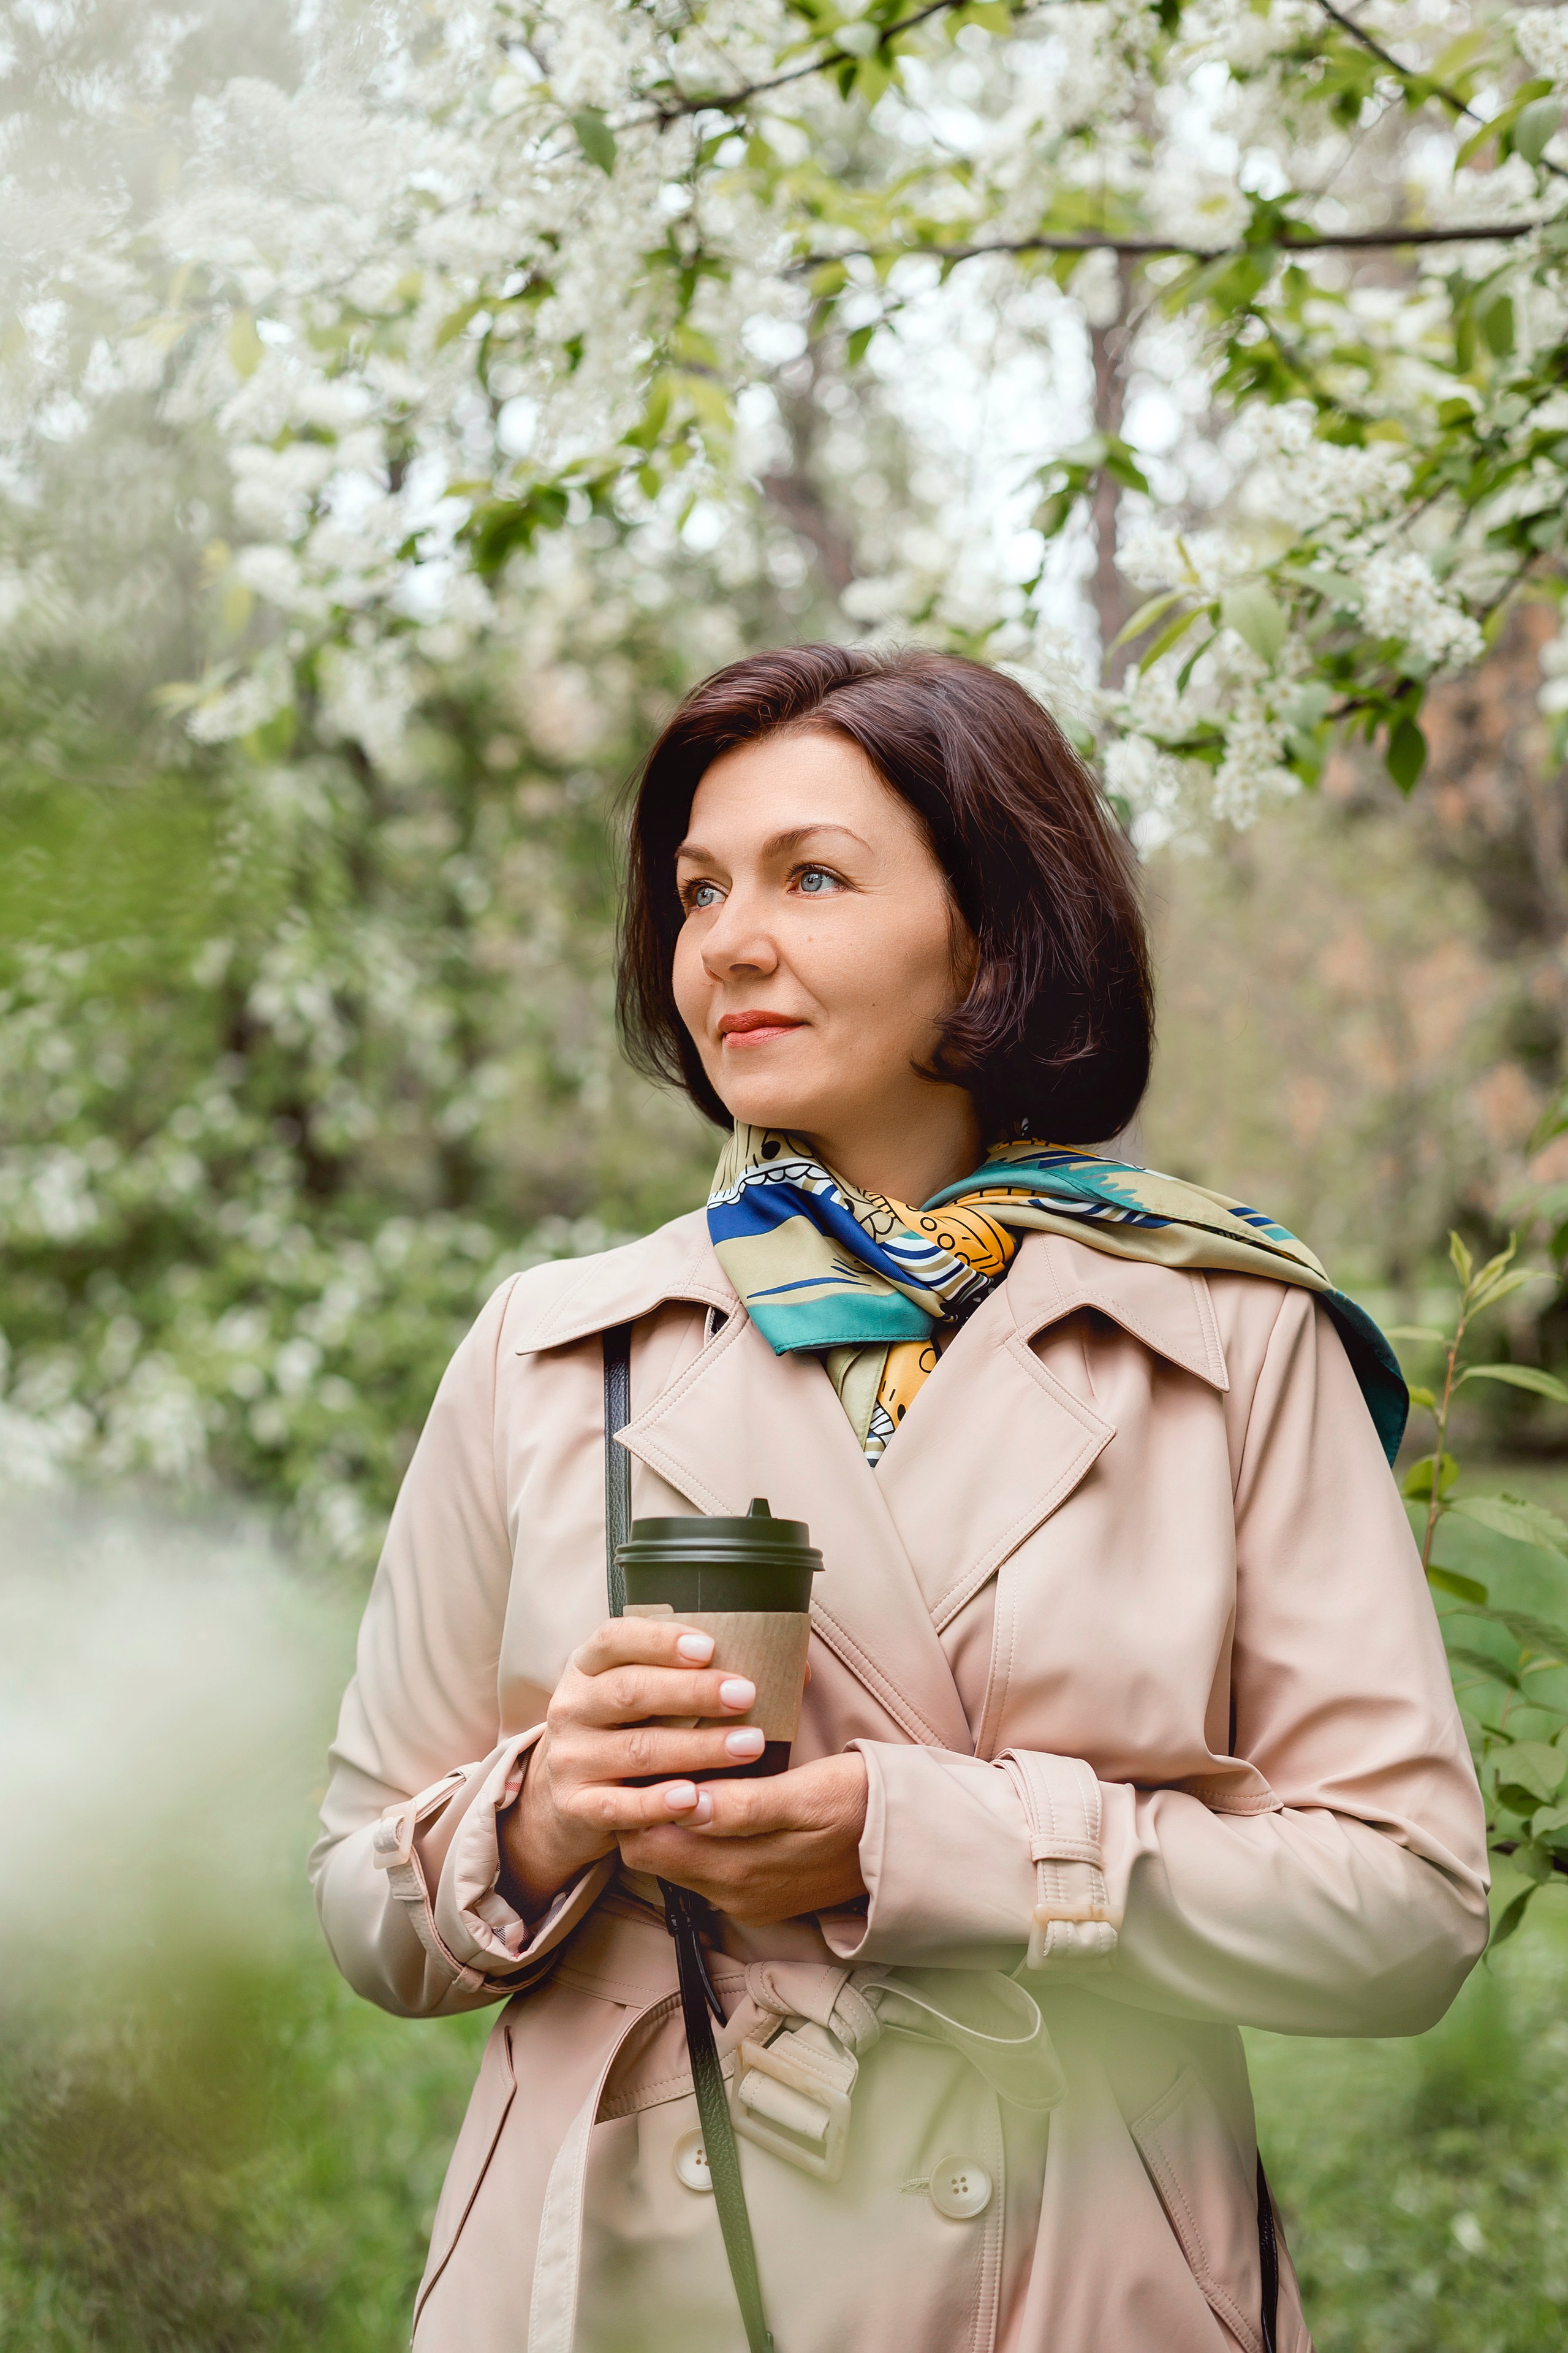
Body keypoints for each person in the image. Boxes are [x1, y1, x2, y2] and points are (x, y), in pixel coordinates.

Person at [311, 644, 1488, 2353]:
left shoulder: (1236, 1338)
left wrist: (922, 1842)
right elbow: (364, 1902)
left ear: (995, 937)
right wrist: (540, 1815)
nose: (727, 943)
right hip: (634, 2275)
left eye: (811, 877)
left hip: (1088, 2269)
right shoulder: (554, 1349)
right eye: (699, 890)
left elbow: (1403, 1911)